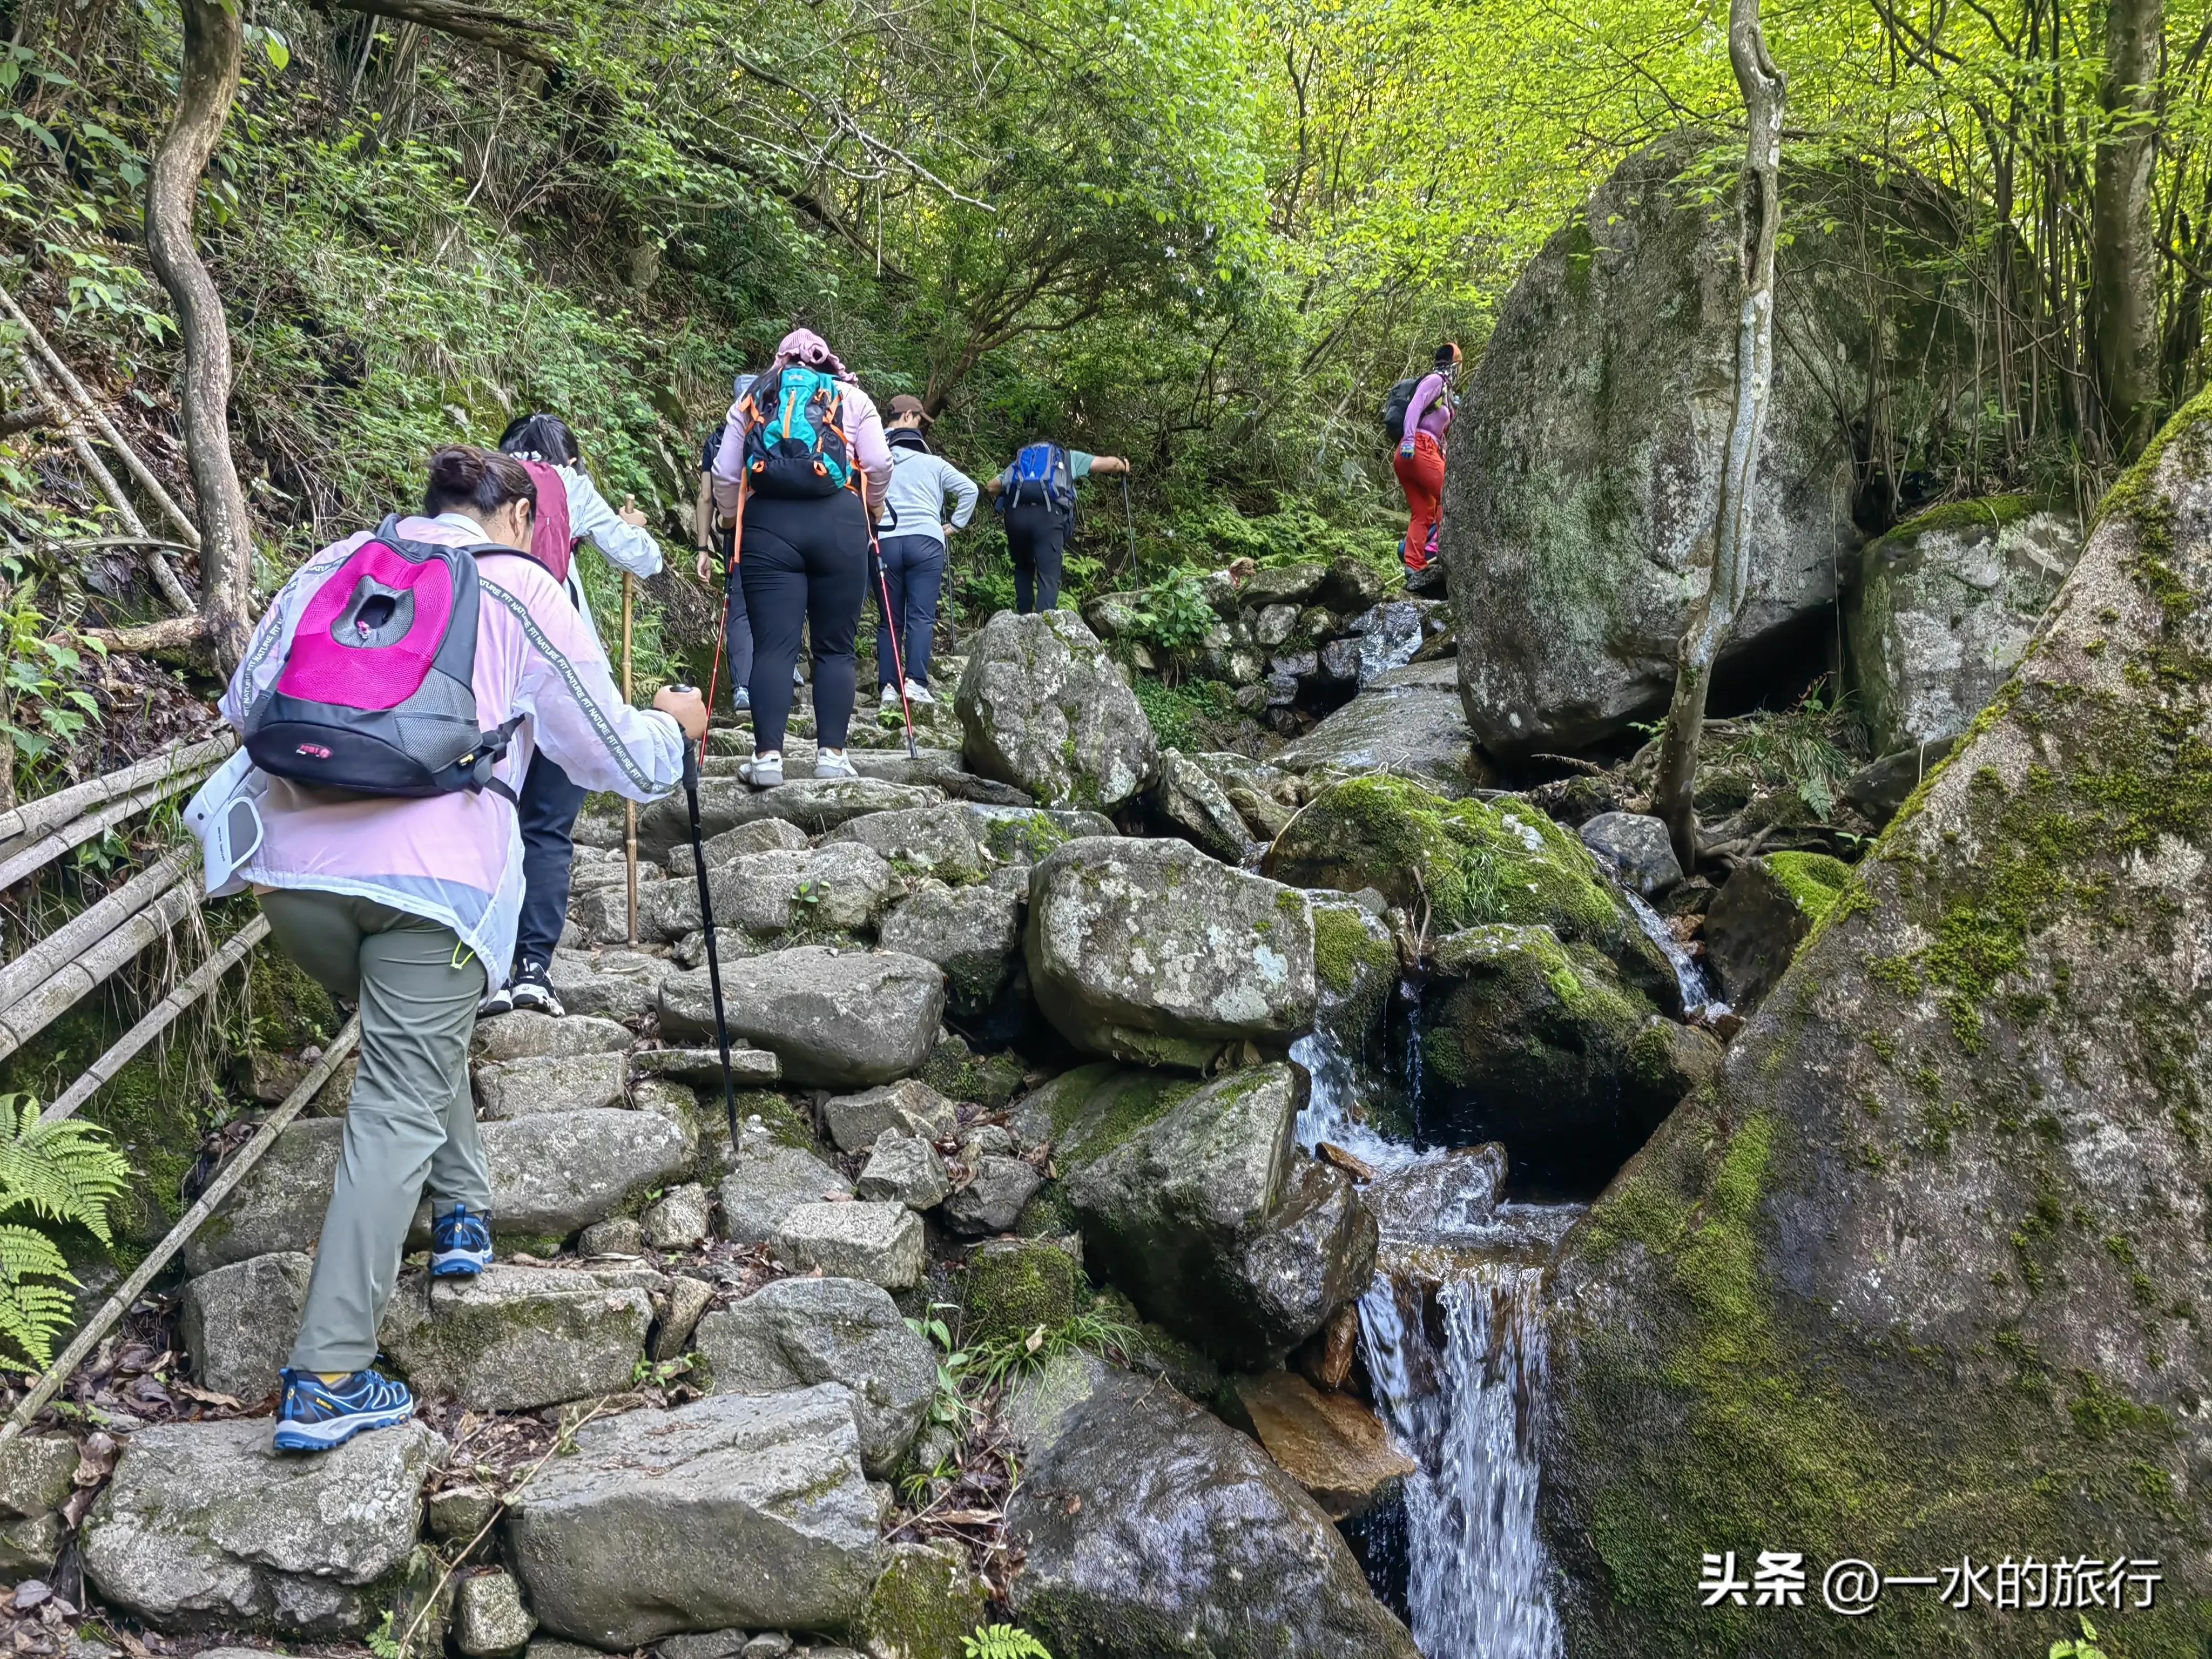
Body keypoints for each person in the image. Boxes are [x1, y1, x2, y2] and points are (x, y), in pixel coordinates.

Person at [204, 446, 704, 1451]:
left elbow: (246, 700)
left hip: (288, 876)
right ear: (515, 514)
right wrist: (674, 728)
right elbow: (609, 753)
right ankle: (328, 1372)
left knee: (413, 1042)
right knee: (399, 1090)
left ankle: (464, 1210)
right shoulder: (523, 588)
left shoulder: (339, 561)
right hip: (431, 887)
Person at [481, 412, 665, 1019]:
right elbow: (644, 559)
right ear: (569, 457)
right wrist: (633, 531)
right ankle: (533, 969)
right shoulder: (569, 487)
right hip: (561, 677)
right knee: (548, 826)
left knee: (491, 817)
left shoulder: (483, 488)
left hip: (490, 676)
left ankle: (487, 967)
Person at [710, 328, 892, 788]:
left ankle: (768, 758)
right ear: (826, 362)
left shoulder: (753, 399)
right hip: (840, 521)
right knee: (836, 646)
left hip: (768, 525)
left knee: (774, 646)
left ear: (780, 361)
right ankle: (832, 755)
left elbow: (725, 472)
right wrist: (872, 508)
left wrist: (730, 518)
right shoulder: (852, 397)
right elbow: (878, 462)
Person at [873, 394, 977, 706]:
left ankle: (888, 687)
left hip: (886, 541)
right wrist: (955, 525)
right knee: (921, 616)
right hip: (927, 542)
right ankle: (916, 683)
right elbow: (970, 489)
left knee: (889, 620)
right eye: (919, 420)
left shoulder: (876, 458)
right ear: (908, 419)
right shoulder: (934, 463)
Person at [982, 439, 1129, 614]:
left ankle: (1023, 618)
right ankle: (1044, 623)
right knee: (1048, 576)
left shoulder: (1022, 463)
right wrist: (1122, 465)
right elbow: (1111, 464)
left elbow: (991, 487)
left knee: (1023, 568)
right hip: (1048, 518)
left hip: (1016, 518)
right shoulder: (1067, 457)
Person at [1394, 341, 1460, 576]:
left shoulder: (1446, 393)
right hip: (1418, 448)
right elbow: (1415, 406)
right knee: (1449, 495)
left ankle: (1414, 565)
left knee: (1424, 511)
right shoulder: (1435, 381)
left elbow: (1441, 434)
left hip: (1415, 452)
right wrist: (1410, 439)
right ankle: (1447, 551)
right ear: (1455, 364)